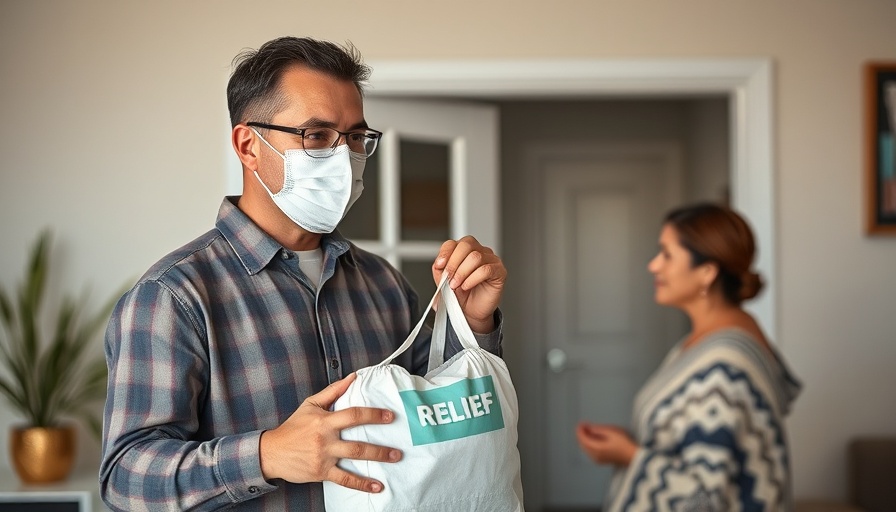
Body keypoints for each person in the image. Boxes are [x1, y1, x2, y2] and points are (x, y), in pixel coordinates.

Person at [99, 36, 507, 511]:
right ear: (249, 146)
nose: (344, 158)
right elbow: (125, 479)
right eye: (316, 135)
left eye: (355, 137)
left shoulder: (384, 284)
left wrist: (473, 323)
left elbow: (438, 416)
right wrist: (266, 454)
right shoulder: (173, 297)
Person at [575, 203, 801, 511]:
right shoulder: (707, 341)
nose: (653, 266)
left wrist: (628, 454)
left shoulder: (725, 367)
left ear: (707, 272)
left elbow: (706, 496)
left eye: (667, 254)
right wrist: (635, 440)